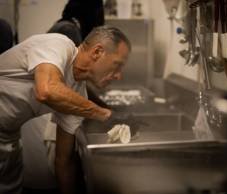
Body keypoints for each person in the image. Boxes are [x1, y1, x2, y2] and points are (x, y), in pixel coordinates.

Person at [0, 25, 131, 194]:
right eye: (117, 65)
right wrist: (105, 114)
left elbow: (63, 161)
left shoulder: (77, 96)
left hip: (9, 140)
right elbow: (46, 90)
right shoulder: (58, 44)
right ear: (97, 52)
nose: (119, 75)